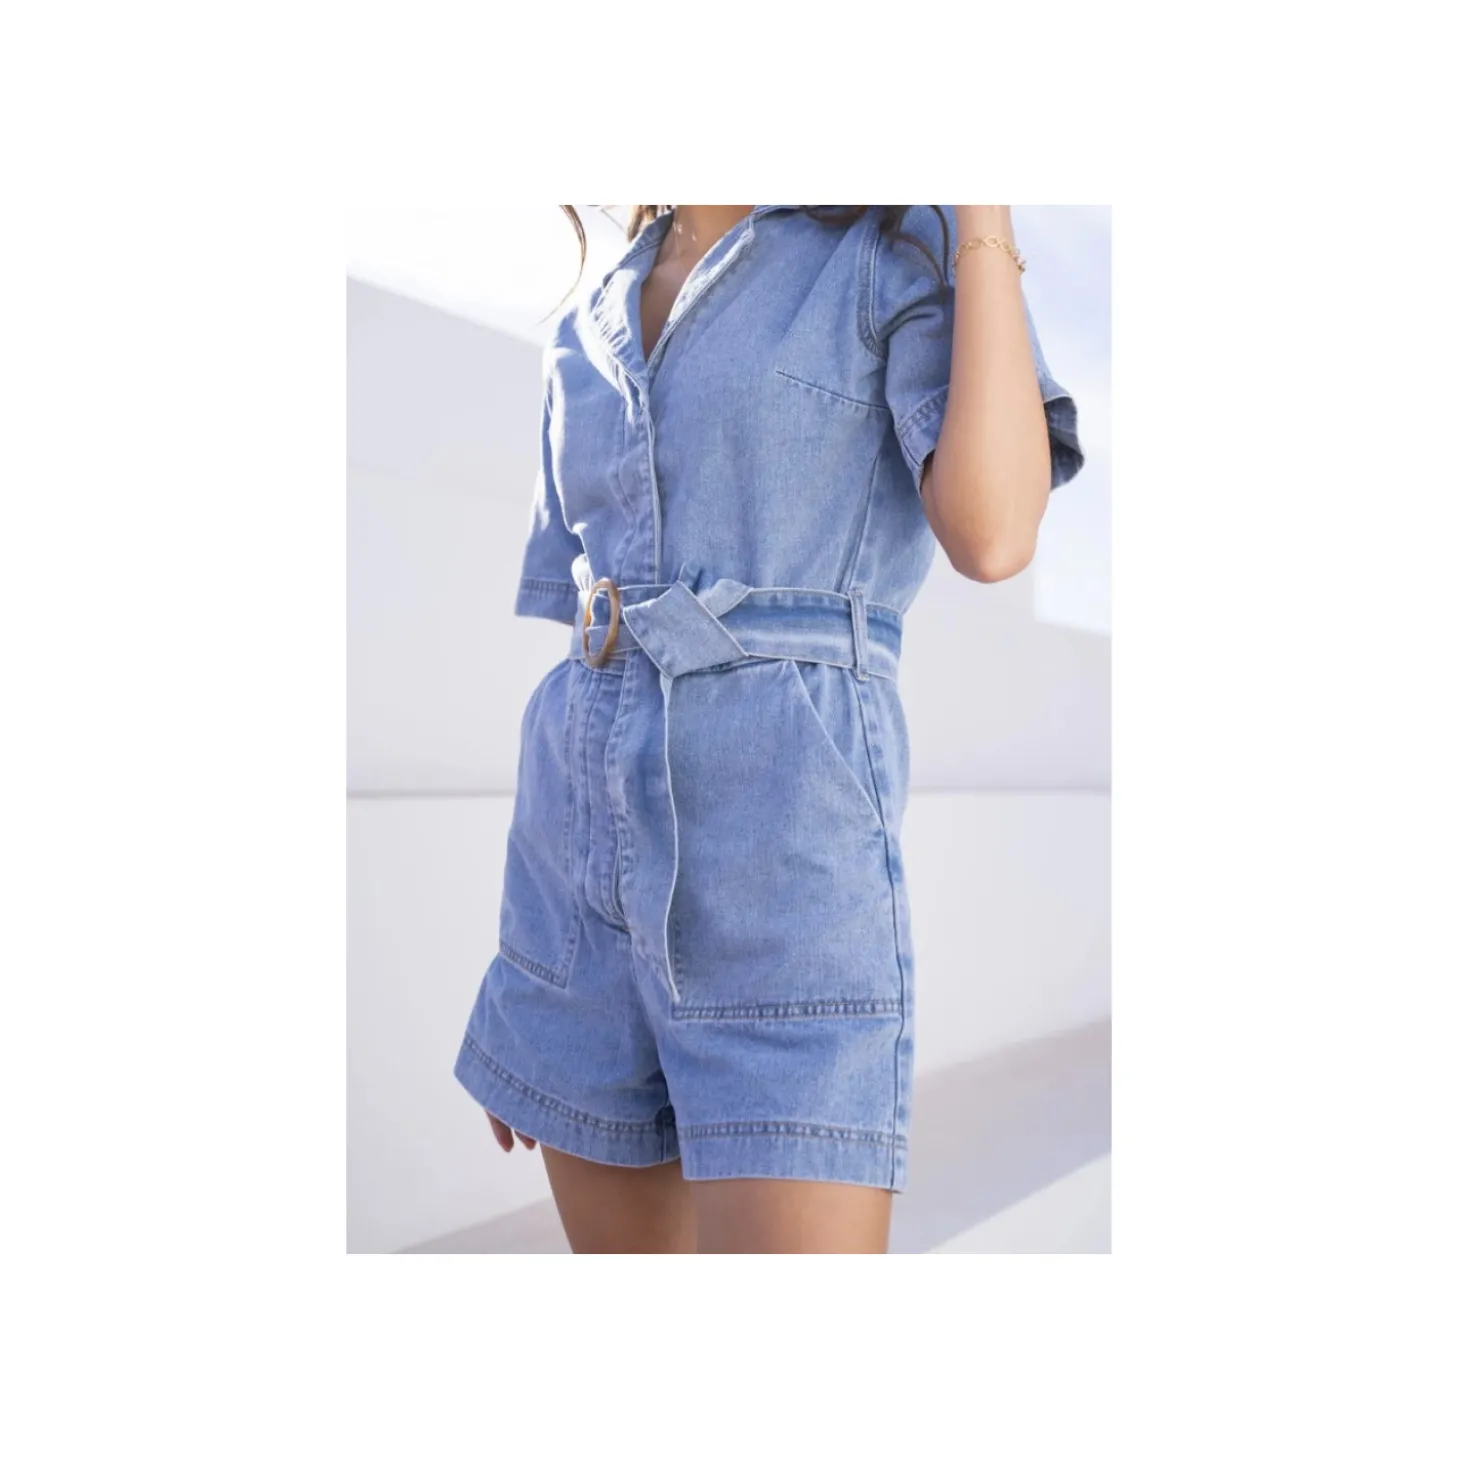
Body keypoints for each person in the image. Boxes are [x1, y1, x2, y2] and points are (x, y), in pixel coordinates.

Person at [454, 204, 1084, 1253]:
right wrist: (531, 964)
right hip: (570, 916)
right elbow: (587, 641)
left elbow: (993, 533)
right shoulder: (587, 317)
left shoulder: (890, 251)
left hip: (785, 892)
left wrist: (980, 206)